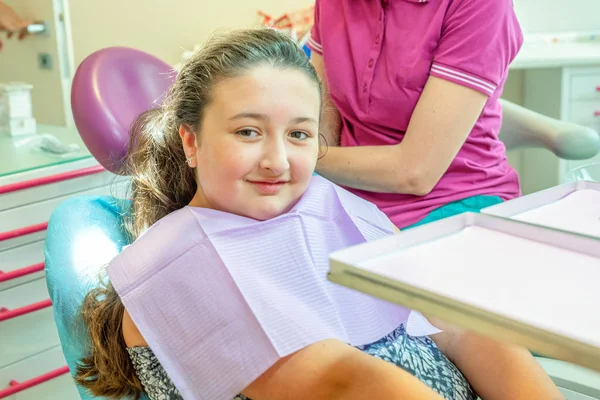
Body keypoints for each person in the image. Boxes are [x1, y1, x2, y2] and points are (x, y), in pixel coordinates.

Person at [74, 29, 561, 400]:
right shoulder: (180, 262)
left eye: (300, 135)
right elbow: (343, 381)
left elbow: (455, 324)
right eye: (248, 132)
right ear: (191, 141)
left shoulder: (329, 208)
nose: (277, 160)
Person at [308, 0, 524, 229]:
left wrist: (298, 156)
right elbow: (324, 127)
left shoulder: (482, 5)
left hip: (451, 200)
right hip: (349, 194)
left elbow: (416, 173)